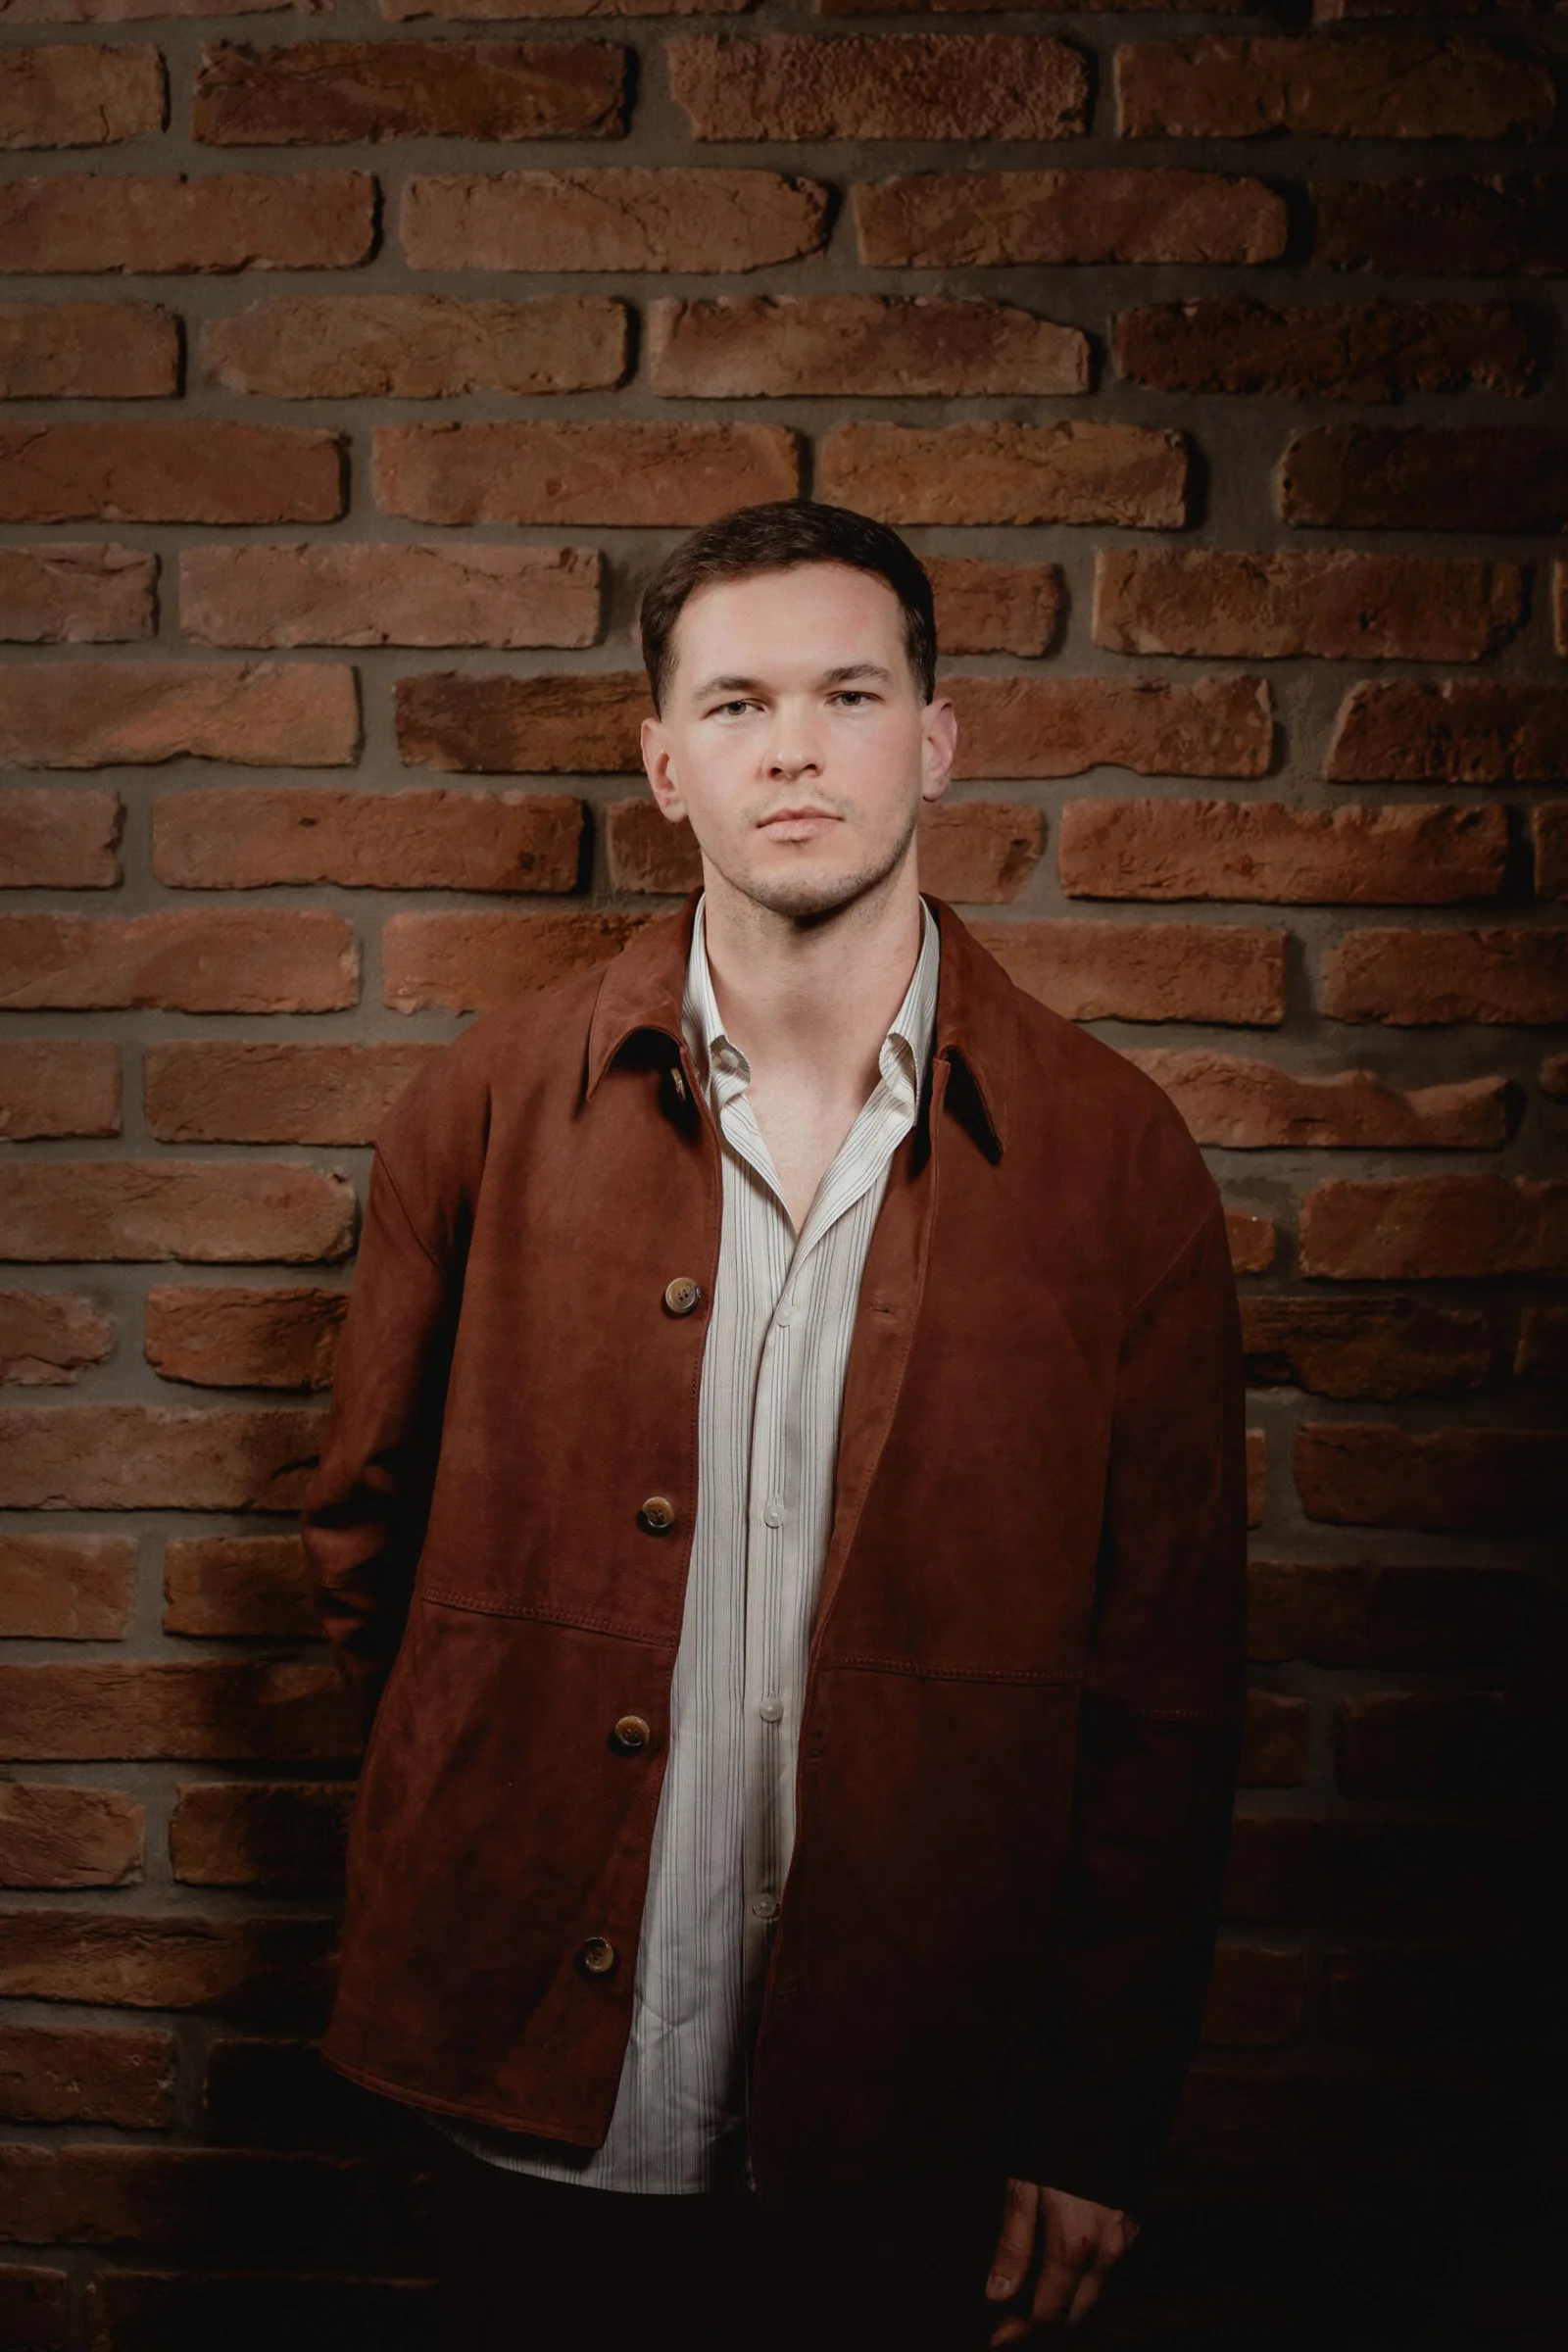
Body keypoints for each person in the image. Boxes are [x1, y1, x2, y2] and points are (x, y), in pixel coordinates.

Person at [300, 499, 1250, 2349]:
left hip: (922, 2135)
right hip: (535, 2119)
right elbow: (367, 1556)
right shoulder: (485, 1112)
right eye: (736, 704)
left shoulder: (1115, 1163)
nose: (795, 746)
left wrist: (1098, 2118)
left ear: (936, 736)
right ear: (665, 764)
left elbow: (1169, 1691)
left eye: (849, 691)